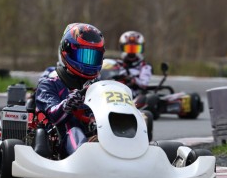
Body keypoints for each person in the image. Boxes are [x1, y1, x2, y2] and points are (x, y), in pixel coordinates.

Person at [35, 23, 105, 158]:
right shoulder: (50, 84)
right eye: (85, 55)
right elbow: (52, 115)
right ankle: (84, 156)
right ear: (68, 51)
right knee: (74, 130)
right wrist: (67, 104)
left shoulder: (100, 85)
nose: (89, 62)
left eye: (94, 57)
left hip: (97, 131)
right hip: (63, 136)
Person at [117, 31, 152, 97]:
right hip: (115, 93)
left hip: (134, 97)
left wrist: (133, 80)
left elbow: (144, 84)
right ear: (122, 48)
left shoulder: (145, 66)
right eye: (129, 49)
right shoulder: (117, 64)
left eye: (135, 49)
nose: (131, 53)